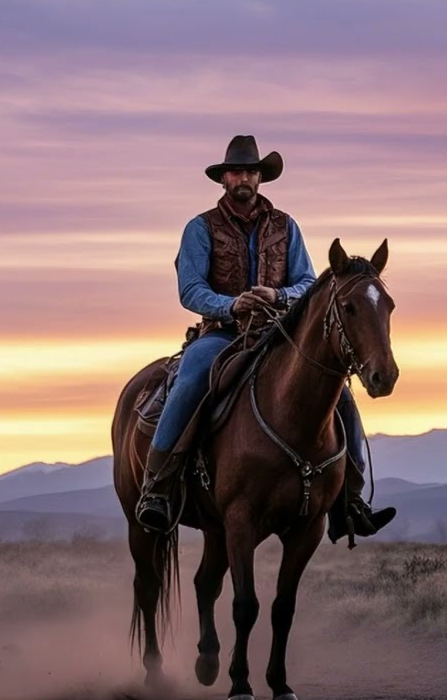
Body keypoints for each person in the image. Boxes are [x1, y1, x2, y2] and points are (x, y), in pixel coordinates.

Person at [136, 135, 396, 538]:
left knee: (339, 395)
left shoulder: (285, 227)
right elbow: (190, 289)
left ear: (261, 179)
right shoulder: (200, 228)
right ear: (224, 179)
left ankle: (352, 498)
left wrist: (278, 295)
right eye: (237, 171)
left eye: (251, 172)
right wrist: (232, 304)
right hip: (221, 333)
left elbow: (307, 283)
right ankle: (158, 485)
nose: (244, 178)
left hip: (279, 334)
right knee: (191, 379)